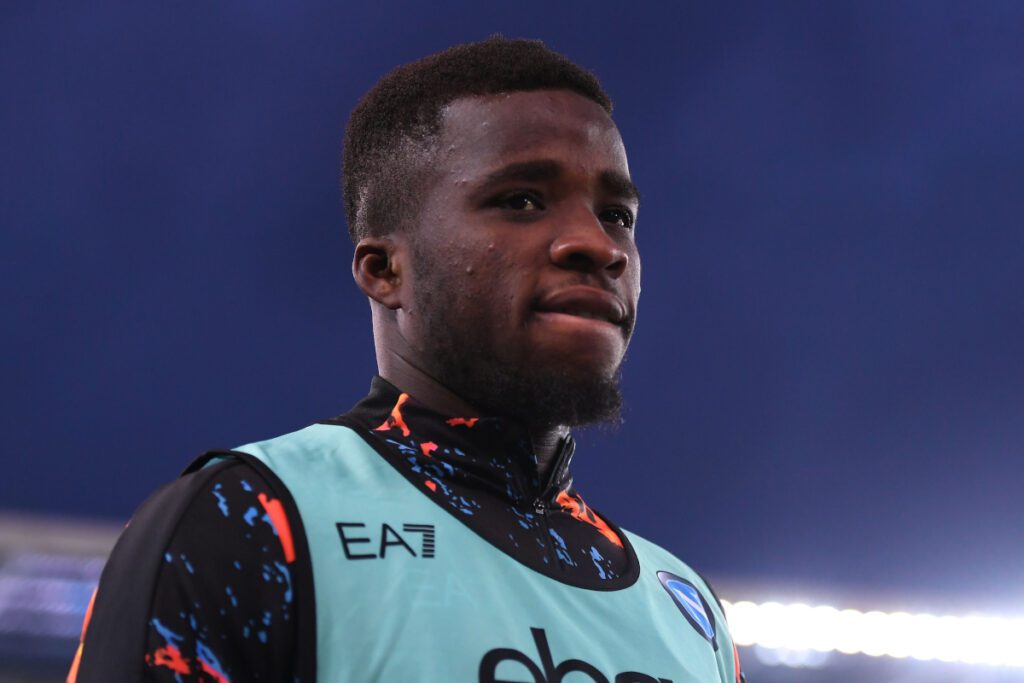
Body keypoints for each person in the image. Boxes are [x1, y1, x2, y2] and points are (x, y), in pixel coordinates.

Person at [68, 37, 745, 683]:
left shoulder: (689, 616)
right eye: (522, 200)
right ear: (385, 269)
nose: (599, 245)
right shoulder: (252, 522)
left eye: (617, 214)